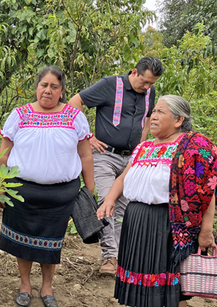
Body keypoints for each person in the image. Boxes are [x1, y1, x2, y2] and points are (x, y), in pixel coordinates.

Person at [97, 96, 217, 307]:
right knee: (143, 274)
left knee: (175, 281)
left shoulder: (191, 147)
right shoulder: (144, 148)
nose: (153, 116)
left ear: (178, 120)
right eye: (153, 111)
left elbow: (208, 188)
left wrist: (206, 229)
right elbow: (123, 178)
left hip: (171, 223)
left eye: (161, 112)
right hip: (138, 218)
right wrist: (109, 199)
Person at [0, 66, 94, 307]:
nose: (48, 91)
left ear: (62, 91)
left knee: (51, 242)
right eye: (44, 85)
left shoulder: (74, 117)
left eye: (54, 87)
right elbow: (4, 154)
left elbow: (85, 155)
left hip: (60, 196)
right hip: (21, 192)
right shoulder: (19, 115)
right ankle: (25, 286)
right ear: (37, 87)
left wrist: (90, 193)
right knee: (22, 240)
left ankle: (47, 288)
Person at [68, 57, 164, 275]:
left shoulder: (149, 92)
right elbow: (76, 101)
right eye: (145, 82)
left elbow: (147, 119)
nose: (147, 87)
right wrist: (87, 136)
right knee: (106, 202)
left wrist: (143, 145)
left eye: (152, 83)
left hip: (131, 158)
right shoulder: (110, 84)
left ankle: (119, 256)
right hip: (104, 155)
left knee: (124, 208)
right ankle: (109, 257)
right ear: (134, 72)